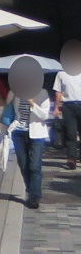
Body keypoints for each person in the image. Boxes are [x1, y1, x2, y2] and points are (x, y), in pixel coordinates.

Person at [3, 56, 54, 210]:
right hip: (18, 131)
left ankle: (34, 197)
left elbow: (45, 116)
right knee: (24, 164)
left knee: (35, 166)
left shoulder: (43, 93)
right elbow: (7, 104)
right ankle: (30, 188)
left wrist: (32, 102)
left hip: (37, 133)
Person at [54, 42, 81, 172]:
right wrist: (56, 107)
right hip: (68, 106)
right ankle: (71, 158)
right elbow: (58, 91)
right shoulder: (61, 73)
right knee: (70, 133)